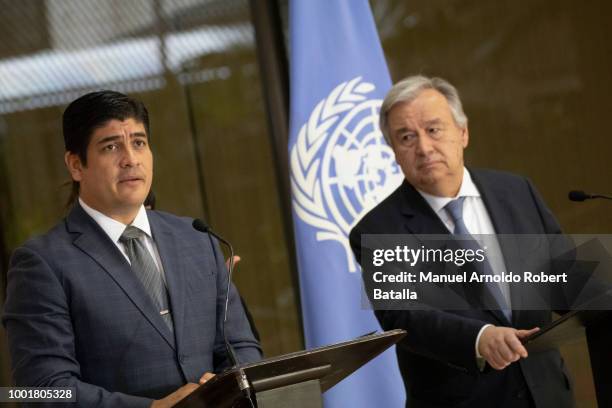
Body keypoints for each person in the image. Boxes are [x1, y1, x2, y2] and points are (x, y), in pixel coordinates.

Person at [2, 91, 262, 407]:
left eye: (139, 143)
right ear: (75, 165)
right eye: (111, 147)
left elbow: (242, 347)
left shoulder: (198, 239)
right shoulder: (42, 263)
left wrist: (223, 385)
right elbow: (42, 390)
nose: (131, 158)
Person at [349, 76, 574, 408]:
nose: (424, 148)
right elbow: (404, 316)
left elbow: (566, 278)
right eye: (407, 137)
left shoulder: (516, 192)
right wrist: (479, 338)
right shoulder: (379, 230)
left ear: (463, 133)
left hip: (547, 395)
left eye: (434, 129)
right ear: (394, 152)